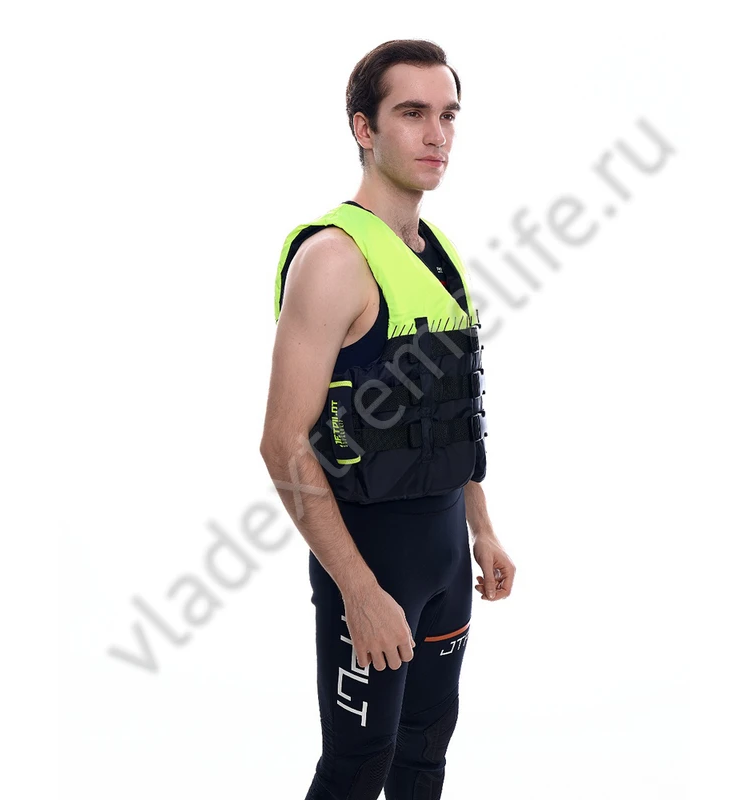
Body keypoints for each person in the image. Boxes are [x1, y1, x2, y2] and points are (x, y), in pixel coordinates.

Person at [260, 39, 516, 800]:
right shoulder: (334, 259)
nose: (437, 135)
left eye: (448, 115)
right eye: (412, 113)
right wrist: (360, 592)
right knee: (356, 768)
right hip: (372, 561)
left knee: (424, 756)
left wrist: (481, 528)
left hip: (447, 561)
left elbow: (448, 412)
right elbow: (282, 444)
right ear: (363, 128)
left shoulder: (439, 251)